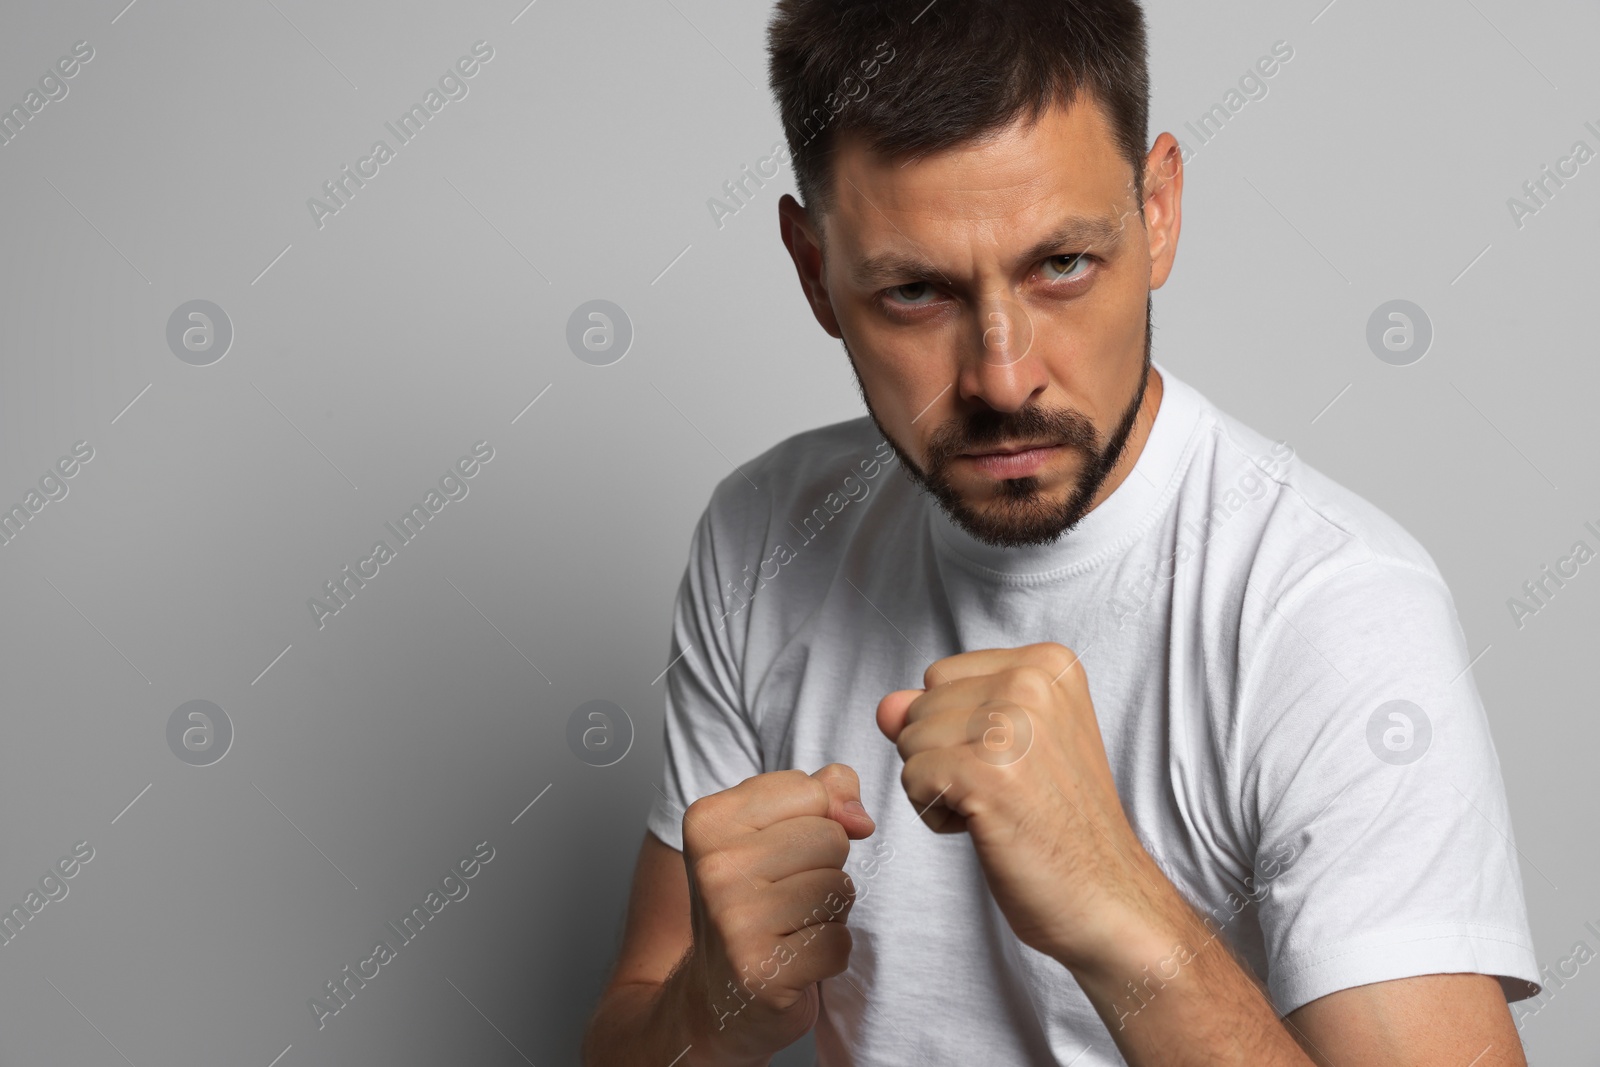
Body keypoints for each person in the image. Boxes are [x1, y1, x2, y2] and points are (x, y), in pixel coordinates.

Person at [582, 1, 1541, 1063]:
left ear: (1160, 209)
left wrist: (1118, 906)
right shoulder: (765, 532)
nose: (1002, 374)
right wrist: (717, 1003)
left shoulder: (1328, 609)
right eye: (913, 291)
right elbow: (636, 1027)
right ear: (815, 270)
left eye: (1062, 265)